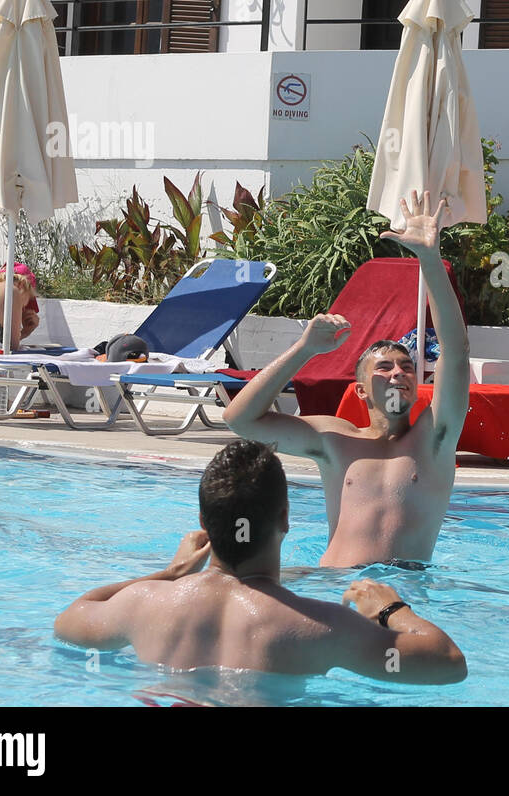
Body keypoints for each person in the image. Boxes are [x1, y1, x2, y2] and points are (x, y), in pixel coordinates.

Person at [53, 440, 467, 682]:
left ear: (203, 522)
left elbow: (70, 620)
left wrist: (170, 574)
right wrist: (391, 609)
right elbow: (449, 664)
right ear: (285, 518)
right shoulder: (322, 626)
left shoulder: (143, 604)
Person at [223, 190, 471, 568]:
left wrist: (430, 260)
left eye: (406, 367)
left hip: (403, 596)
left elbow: (456, 353)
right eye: (383, 367)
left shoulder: (435, 439)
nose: (398, 372)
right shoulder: (334, 441)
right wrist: (304, 349)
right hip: (332, 589)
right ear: (360, 391)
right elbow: (240, 420)